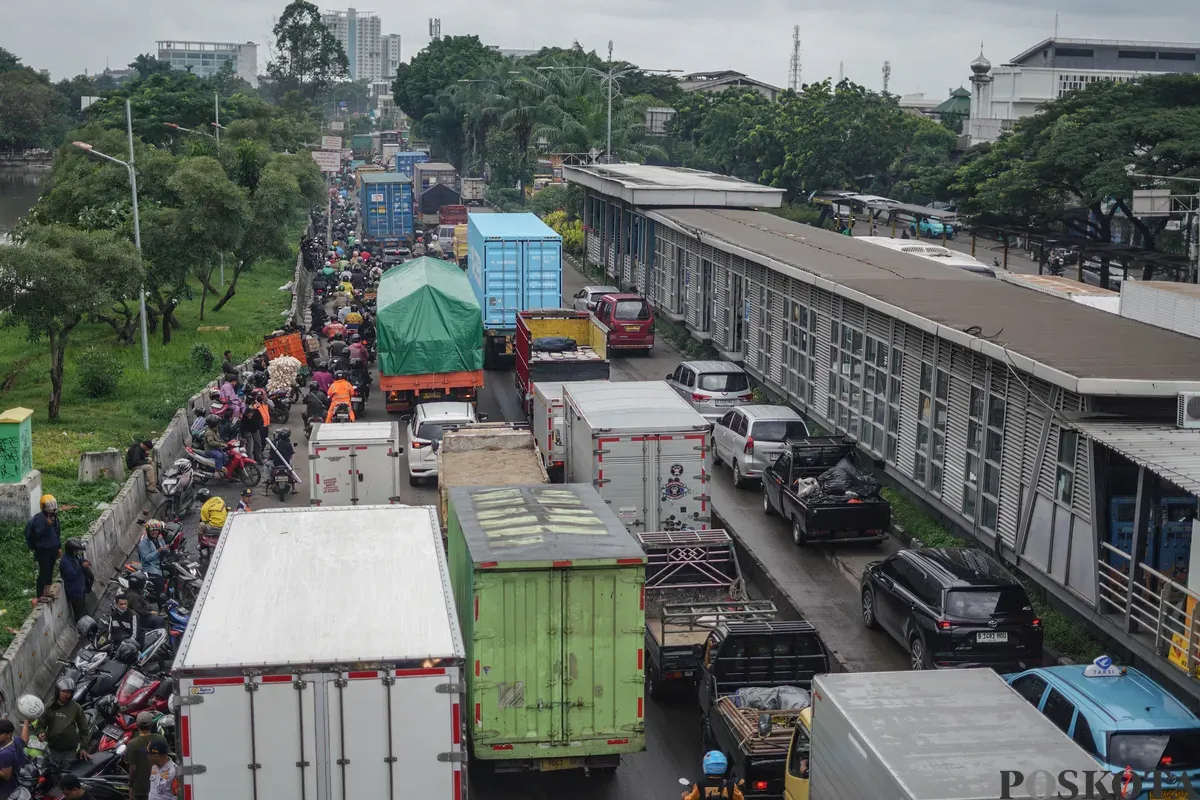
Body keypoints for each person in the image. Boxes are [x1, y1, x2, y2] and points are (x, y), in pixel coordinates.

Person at [39, 678, 89, 767]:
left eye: (69, 692)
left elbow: (84, 729)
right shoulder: (49, 707)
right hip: (53, 749)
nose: (66, 695)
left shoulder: (76, 708)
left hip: (70, 751)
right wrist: (41, 732)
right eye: (64, 691)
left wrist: (83, 747)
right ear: (58, 691)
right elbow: (40, 724)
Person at [24, 494, 61, 600]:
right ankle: (40, 594)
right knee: (44, 571)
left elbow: (57, 533)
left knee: (50, 570)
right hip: (43, 550)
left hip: (53, 549)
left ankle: (47, 590)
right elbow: (38, 533)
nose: (52, 508)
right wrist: (46, 525)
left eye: (53, 505)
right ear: (43, 507)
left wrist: (59, 547)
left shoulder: (54, 517)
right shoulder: (39, 519)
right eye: (49, 506)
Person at [59, 538, 92, 623]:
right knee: (80, 614)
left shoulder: (74, 556)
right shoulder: (65, 562)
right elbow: (71, 575)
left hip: (80, 588)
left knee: (83, 609)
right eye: (75, 550)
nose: (77, 552)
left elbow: (79, 560)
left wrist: (83, 561)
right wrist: (81, 567)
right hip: (74, 591)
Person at [125, 712, 155, 800]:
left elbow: (132, 767)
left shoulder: (132, 744)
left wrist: (130, 785)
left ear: (137, 725)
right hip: (157, 787)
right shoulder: (160, 739)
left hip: (140, 789)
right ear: (151, 725)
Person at [137, 520, 169, 598]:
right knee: (159, 583)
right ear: (148, 531)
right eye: (152, 531)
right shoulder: (143, 544)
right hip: (151, 568)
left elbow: (165, 549)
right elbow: (146, 558)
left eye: (156, 530)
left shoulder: (159, 538)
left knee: (174, 570)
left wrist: (166, 549)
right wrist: (158, 551)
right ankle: (160, 604)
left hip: (161, 563)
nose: (155, 532)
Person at [0, 718, 31, 798]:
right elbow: (25, 739)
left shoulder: (5, 754)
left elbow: (6, 776)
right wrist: (26, 721)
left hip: (6, 791)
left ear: (8, 734)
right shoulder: (16, 740)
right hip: (18, 785)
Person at [147, 735, 178, 800]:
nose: (148, 756)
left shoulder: (174, 771)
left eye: (149, 754)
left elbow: (176, 797)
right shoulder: (154, 767)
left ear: (157, 756)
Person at [239, 392, 266, 464]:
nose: (250, 416)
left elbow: (261, 419)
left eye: (251, 414)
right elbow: (242, 426)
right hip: (247, 431)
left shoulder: (256, 412)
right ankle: (251, 462)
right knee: (250, 446)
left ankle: (259, 459)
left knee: (258, 444)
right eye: (249, 415)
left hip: (255, 430)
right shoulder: (244, 418)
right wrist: (242, 435)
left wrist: (260, 425)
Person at [270, 429, 299, 494]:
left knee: (267, 466)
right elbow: (291, 455)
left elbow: (270, 454)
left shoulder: (275, 443)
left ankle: (267, 481)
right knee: (292, 469)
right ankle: (294, 488)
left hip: (276, 464)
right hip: (286, 464)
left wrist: (267, 459)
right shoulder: (288, 444)